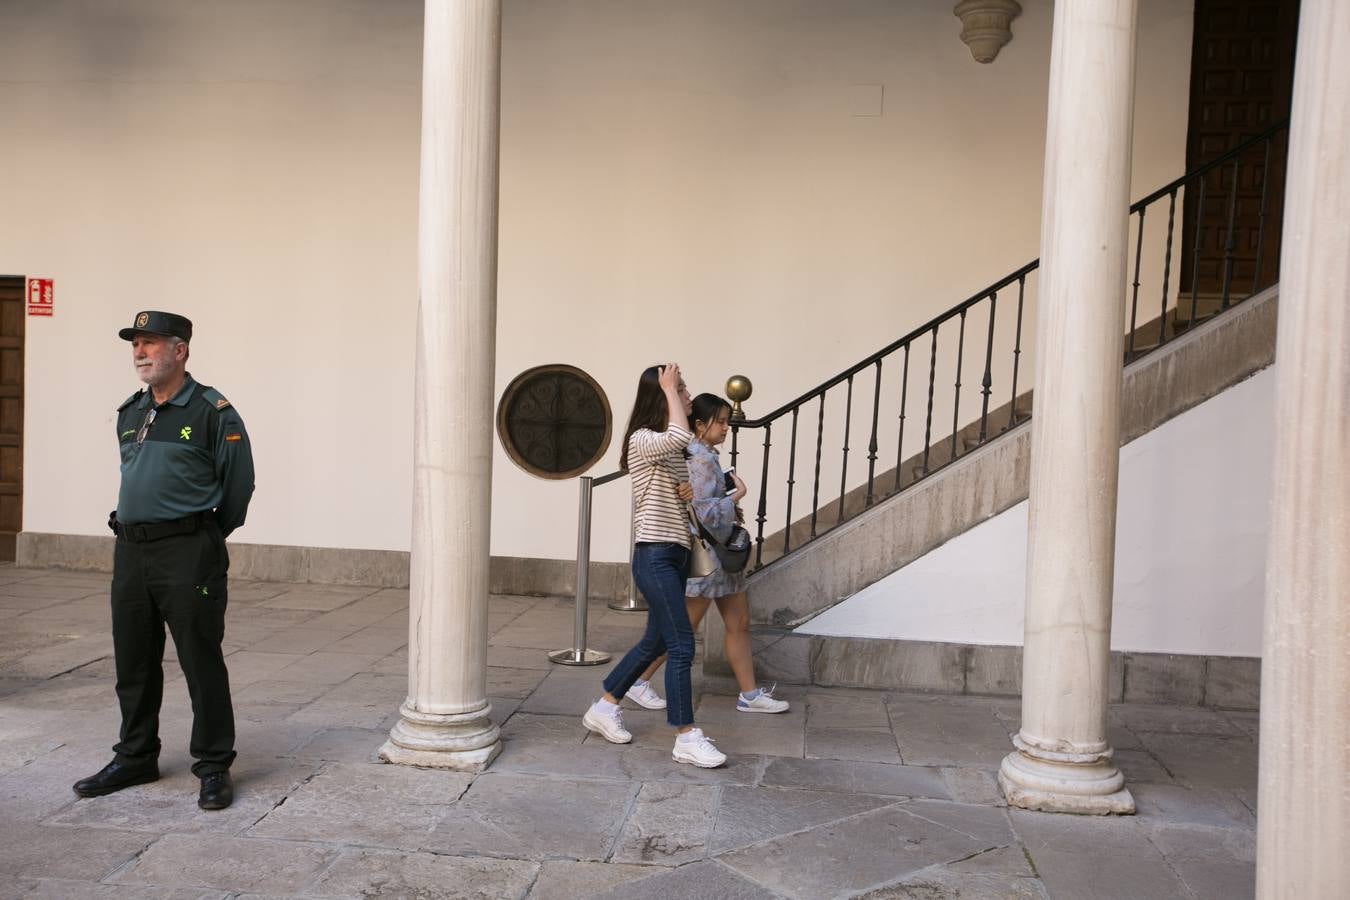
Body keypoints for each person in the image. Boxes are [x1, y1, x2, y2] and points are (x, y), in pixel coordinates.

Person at [73, 311, 255, 811]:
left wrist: (202, 535)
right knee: (132, 660)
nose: (140, 352)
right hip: (131, 551)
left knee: (200, 658)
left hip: (187, 551)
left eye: (151, 343)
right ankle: (135, 755)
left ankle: (214, 764)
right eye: (136, 344)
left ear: (180, 351)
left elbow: (238, 487)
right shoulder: (130, 411)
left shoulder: (213, 411)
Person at [581, 363, 727, 768]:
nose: (686, 395)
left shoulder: (670, 448)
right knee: (682, 644)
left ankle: (605, 706)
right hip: (655, 554)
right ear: (660, 395)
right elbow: (680, 432)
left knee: (657, 642)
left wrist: (686, 494)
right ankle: (686, 735)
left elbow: (678, 491)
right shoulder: (643, 439)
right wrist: (666, 386)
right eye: (680, 390)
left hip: (676, 552)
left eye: (680, 388)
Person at [625, 393, 789, 715]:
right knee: (682, 628)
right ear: (700, 425)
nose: (727, 427)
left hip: (718, 563)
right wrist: (737, 496)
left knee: (738, 622)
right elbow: (703, 512)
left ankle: (750, 694)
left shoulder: (704, 454)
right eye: (721, 421)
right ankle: (636, 681)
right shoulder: (698, 458)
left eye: (728, 421)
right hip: (707, 561)